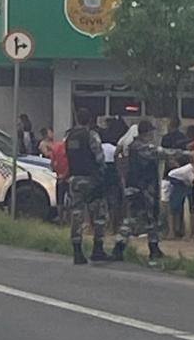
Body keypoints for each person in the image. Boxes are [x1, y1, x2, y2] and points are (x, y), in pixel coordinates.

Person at [112, 119, 168, 264]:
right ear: (147, 133)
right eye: (151, 132)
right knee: (132, 220)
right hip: (140, 189)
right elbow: (161, 153)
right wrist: (187, 154)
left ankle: (154, 249)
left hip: (145, 189)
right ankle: (118, 248)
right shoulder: (139, 147)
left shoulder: (136, 146)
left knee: (152, 220)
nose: (152, 135)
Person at [65, 107, 108, 265]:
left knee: (76, 215)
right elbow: (99, 157)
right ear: (90, 120)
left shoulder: (69, 136)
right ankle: (98, 249)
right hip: (91, 180)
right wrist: (103, 172)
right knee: (98, 215)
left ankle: (77, 252)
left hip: (74, 179)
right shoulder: (91, 135)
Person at [166, 152, 194, 239]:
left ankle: (188, 233)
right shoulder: (188, 169)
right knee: (175, 207)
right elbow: (192, 180)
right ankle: (173, 232)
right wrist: (185, 183)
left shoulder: (189, 168)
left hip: (185, 182)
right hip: (178, 182)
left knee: (191, 208)